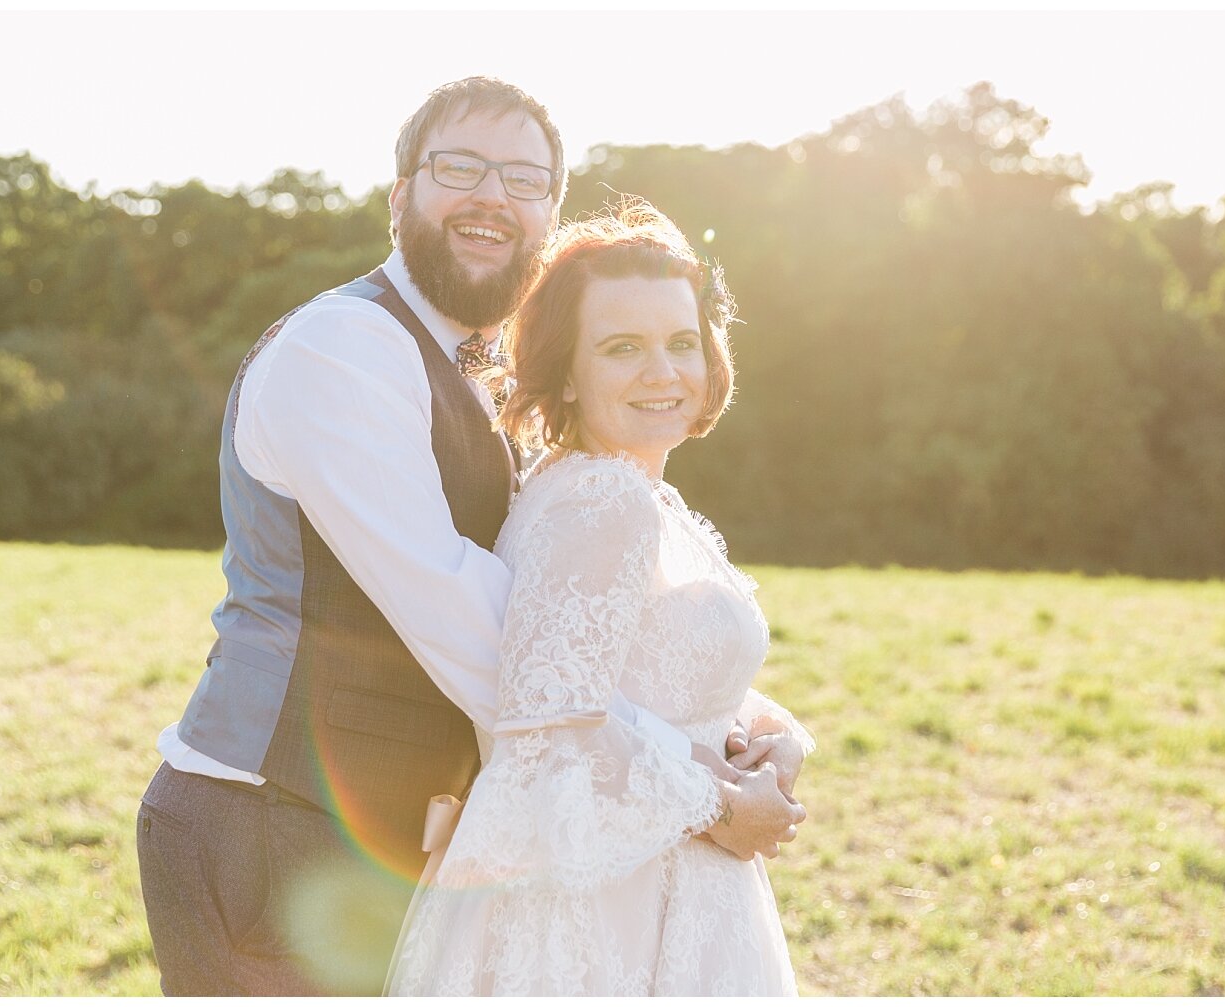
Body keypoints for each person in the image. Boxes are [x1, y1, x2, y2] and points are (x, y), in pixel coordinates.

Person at [134, 78, 806, 996]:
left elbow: (596, 626)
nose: (494, 195)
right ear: (399, 192)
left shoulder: (486, 374)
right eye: (460, 167)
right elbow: (462, 612)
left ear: (549, 215)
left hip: (409, 832)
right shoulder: (344, 348)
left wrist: (749, 729)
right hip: (275, 823)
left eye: (526, 178)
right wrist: (707, 786)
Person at [389, 199, 812, 996]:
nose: (664, 371)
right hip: (612, 911)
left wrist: (777, 737)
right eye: (623, 348)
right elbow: (549, 731)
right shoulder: (602, 506)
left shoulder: (619, 493)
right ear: (567, 373)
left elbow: (633, 679)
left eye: (681, 342)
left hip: (659, 876)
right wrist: (726, 812)